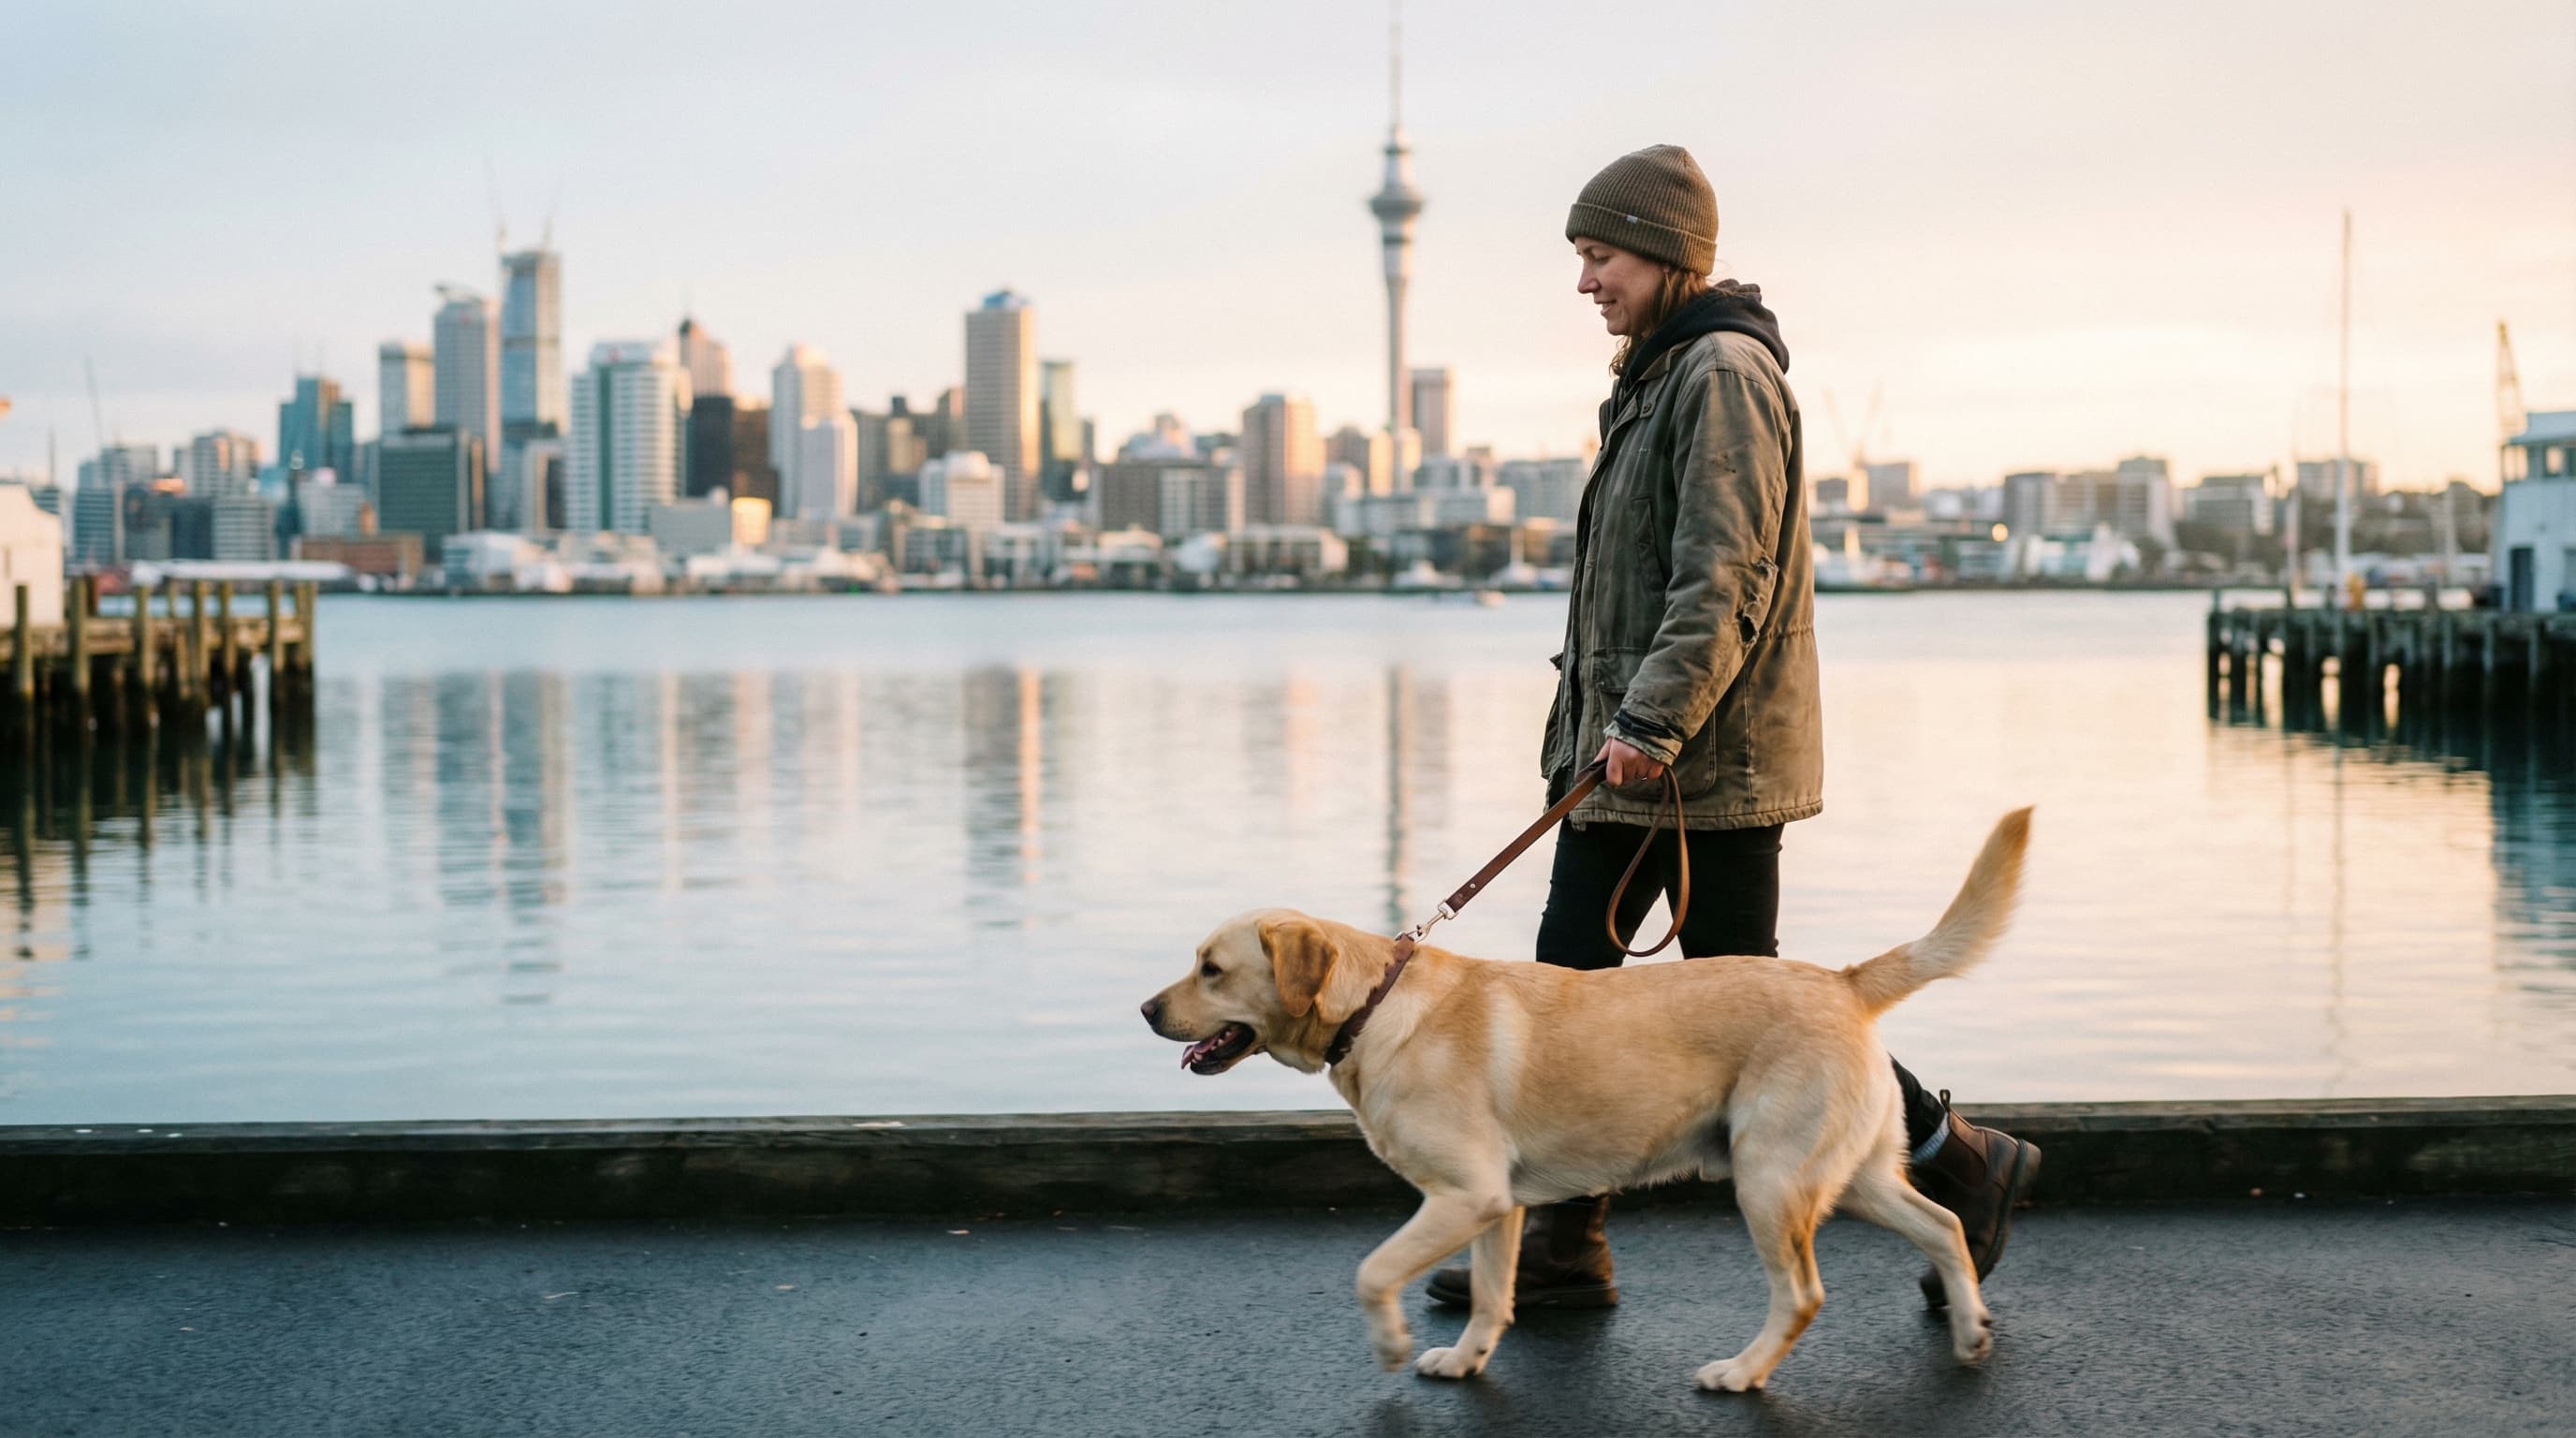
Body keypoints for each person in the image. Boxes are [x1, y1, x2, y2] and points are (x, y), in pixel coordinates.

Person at [1427, 144, 2040, 1313]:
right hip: (1646, 760)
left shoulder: (1719, 374)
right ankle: (1567, 1253)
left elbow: (1725, 575)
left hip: (1693, 764)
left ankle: (1957, 1164)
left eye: (1598, 257)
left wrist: (1648, 723)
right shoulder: (1662, 373)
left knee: (1739, 1000)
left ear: (1661, 254)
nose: (1584, 283)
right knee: (1603, 994)